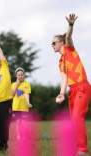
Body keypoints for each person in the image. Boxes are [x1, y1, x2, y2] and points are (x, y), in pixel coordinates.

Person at [52, 14, 91, 156]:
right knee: (74, 120)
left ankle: (82, 150)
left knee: (76, 118)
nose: (52, 46)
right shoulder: (60, 62)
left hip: (82, 86)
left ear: (61, 43)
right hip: (72, 90)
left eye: (54, 43)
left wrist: (71, 25)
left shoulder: (69, 49)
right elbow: (64, 79)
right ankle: (78, 148)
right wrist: (62, 93)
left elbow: (68, 36)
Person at [11, 68, 32, 140]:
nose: (20, 76)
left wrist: (28, 102)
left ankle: (24, 137)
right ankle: (18, 137)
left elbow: (27, 94)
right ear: (16, 76)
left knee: (24, 122)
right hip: (16, 106)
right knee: (18, 122)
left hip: (24, 106)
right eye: (18, 75)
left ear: (24, 75)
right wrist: (17, 83)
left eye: (21, 75)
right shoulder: (13, 84)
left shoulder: (27, 84)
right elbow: (12, 93)